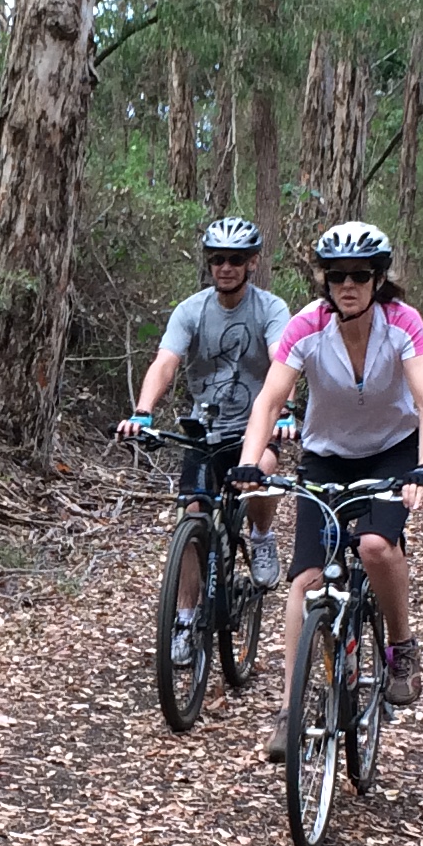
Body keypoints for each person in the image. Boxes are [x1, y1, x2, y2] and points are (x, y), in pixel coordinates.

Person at [232, 219, 423, 737]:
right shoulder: (306, 325)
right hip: (327, 456)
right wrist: (249, 461)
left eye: (360, 275)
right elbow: (269, 401)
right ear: (324, 280)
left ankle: (401, 646)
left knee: (374, 546)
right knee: (306, 581)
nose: (348, 285)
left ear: (378, 279)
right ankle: (288, 711)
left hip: (392, 452)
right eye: (336, 275)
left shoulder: (403, 322)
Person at [115, 217, 293, 661]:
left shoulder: (270, 309)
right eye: (217, 259)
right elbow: (165, 362)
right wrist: (143, 412)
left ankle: (261, 534)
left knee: (264, 469)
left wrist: (285, 411)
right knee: (193, 515)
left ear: (252, 263)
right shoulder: (191, 310)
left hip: (254, 426)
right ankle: (184, 619)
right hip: (205, 428)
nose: (225, 267)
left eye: (235, 259)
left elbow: (282, 361)